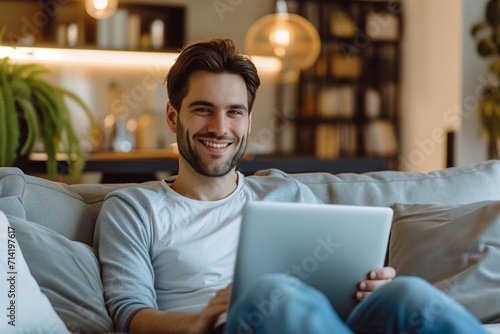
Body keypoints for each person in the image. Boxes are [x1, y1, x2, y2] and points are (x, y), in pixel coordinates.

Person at [94, 38, 487, 334]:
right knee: (270, 294)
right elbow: (130, 312)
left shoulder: (285, 194)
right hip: (223, 327)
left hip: (317, 321)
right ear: (172, 116)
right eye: (202, 109)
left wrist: (371, 285)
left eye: (234, 112)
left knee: (408, 295)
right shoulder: (133, 208)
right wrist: (198, 321)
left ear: (248, 121)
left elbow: (335, 279)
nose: (219, 127)